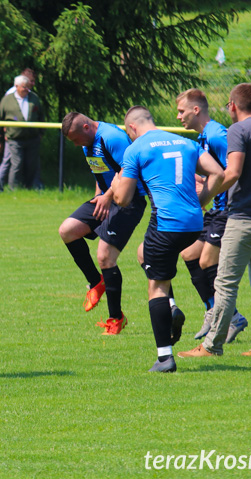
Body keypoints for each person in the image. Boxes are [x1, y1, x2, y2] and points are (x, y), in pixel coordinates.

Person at [111, 106, 224, 373]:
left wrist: (117, 184)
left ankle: (165, 358)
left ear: (132, 128)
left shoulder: (136, 149)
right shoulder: (185, 142)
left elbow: (122, 199)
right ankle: (174, 308)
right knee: (143, 253)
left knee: (157, 287)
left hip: (166, 223)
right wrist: (199, 202)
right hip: (194, 223)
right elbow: (218, 173)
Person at [179, 83, 251, 359]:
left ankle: (211, 346)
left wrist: (206, 194)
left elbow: (232, 172)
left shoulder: (237, 130)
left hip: (244, 218)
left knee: (224, 283)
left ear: (233, 105)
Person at [58, 112, 147, 334]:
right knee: (67, 230)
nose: (76, 144)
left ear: (87, 127)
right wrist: (99, 198)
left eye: (76, 138)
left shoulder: (112, 137)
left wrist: (107, 197)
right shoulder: (86, 142)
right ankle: (96, 282)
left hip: (128, 200)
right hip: (106, 198)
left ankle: (116, 319)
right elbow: (101, 173)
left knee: (105, 256)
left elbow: (128, 170)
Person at [174, 89, 247, 341]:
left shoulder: (216, 134)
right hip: (214, 210)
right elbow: (216, 172)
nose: (178, 116)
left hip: (227, 210)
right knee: (189, 253)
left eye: (182, 111)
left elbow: (236, 169)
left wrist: (208, 190)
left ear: (196, 110)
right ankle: (212, 310)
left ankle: (231, 317)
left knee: (206, 261)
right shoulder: (203, 137)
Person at [0, 74, 45, 191]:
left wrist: (41, 133)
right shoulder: (7, 100)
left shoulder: (34, 98)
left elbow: (42, 116)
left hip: (32, 138)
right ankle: (13, 189)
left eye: (28, 87)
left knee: (32, 164)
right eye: (24, 87)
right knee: (16, 164)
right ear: (16, 86)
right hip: (14, 139)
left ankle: (29, 187)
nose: (27, 90)